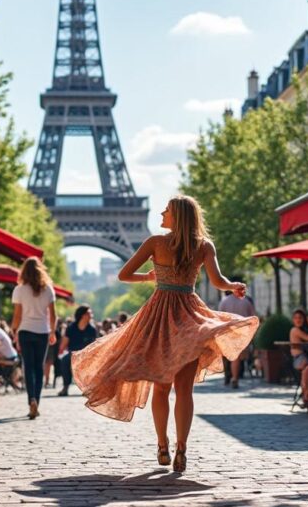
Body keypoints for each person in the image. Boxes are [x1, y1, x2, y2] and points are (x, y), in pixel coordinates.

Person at [71, 195, 258, 473]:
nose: (161, 212)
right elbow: (218, 282)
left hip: (158, 317)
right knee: (185, 390)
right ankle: (182, 448)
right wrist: (233, 286)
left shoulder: (155, 243)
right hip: (189, 317)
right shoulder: (204, 246)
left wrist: (150, 276)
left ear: (177, 216)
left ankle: (162, 445)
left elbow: (124, 274)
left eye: (167, 210)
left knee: (161, 387)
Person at [10, 257, 58, 419]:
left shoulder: (19, 290)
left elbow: (17, 316)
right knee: (39, 368)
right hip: (42, 332)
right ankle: (36, 399)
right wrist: (52, 332)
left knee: (28, 367)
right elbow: (53, 315)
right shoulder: (48, 290)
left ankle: (31, 399)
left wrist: (14, 331)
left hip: (25, 331)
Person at [219, 283, 258, 388]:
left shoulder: (224, 301)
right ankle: (235, 377)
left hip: (227, 332)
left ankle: (229, 375)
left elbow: (219, 318)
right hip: (242, 333)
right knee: (237, 357)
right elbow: (253, 318)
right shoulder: (246, 302)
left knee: (226, 356)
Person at [58, 305, 98, 396]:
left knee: (94, 362)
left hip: (86, 354)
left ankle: (88, 388)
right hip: (73, 353)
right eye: (89, 313)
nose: (91, 315)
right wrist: (61, 351)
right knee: (64, 360)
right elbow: (64, 344)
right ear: (83, 315)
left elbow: (95, 345)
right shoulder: (71, 328)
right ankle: (65, 387)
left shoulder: (92, 329)